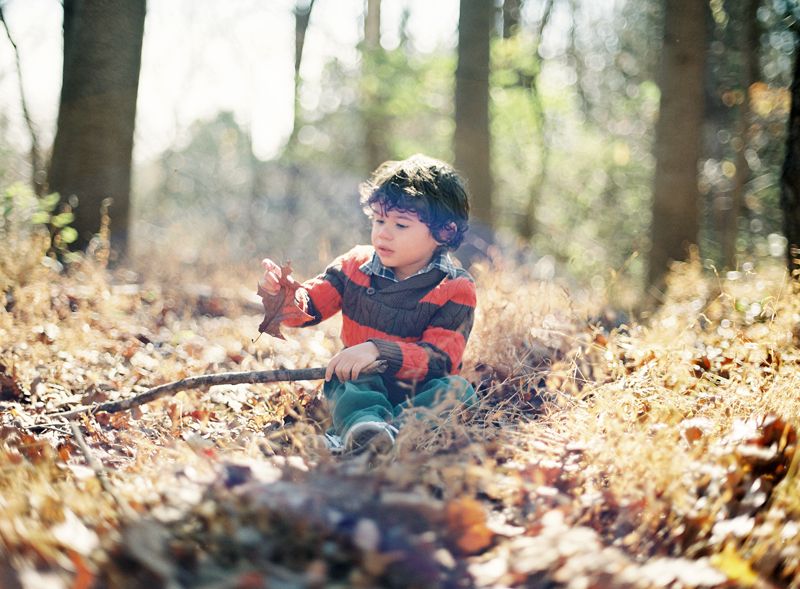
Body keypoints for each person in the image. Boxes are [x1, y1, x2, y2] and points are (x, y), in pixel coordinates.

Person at [259, 154, 477, 455]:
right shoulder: (355, 266)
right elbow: (310, 306)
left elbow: (439, 360)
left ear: (445, 232)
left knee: (459, 392)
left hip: (418, 388)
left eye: (401, 225)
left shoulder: (455, 288)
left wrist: (377, 349)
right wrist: (284, 298)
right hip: (361, 378)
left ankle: (387, 433)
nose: (383, 233)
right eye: (378, 220)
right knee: (346, 383)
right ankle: (362, 429)